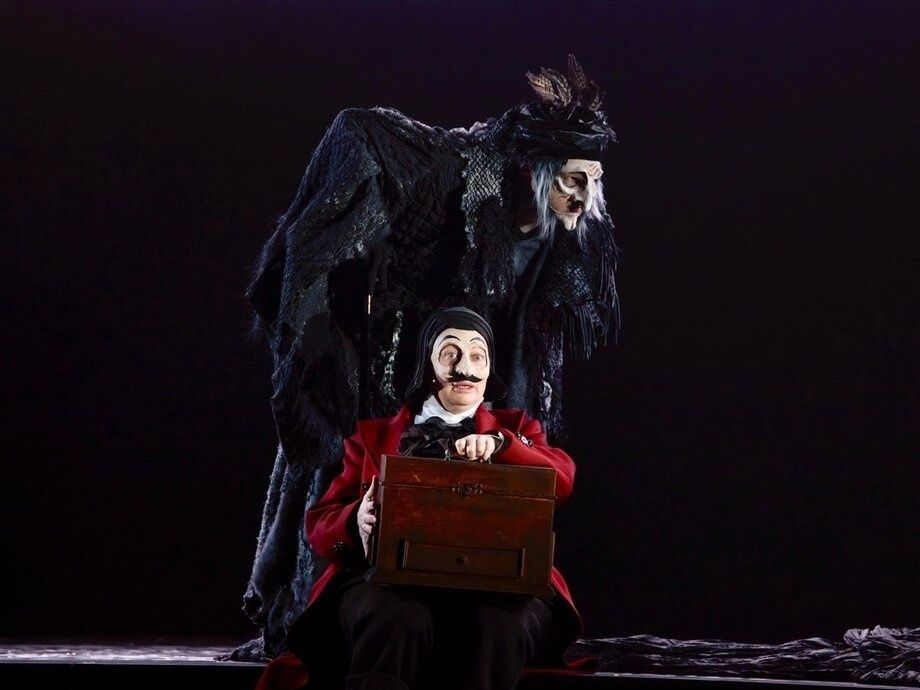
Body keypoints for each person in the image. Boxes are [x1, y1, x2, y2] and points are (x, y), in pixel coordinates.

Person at [235, 55, 619, 661]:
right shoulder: (464, 170)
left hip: (474, 360)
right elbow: (362, 129)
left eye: (592, 180)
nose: (584, 196)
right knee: (358, 471)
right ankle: (335, 616)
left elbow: (556, 470)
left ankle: (462, 614)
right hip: (397, 356)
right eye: (572, 180)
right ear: (536, 170)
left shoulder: (561, 229)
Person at [255, 307, 587, 690]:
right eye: (450, 354)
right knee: (395, 618)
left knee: (495, 625)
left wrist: (502, 445)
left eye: (477, 356)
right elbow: (320, 524)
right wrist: (355, 519)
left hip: (499, 584)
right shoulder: (372, 436)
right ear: (427, 364)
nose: (465, 369)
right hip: (390, 582)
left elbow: (562, 478)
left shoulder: (519, 429)